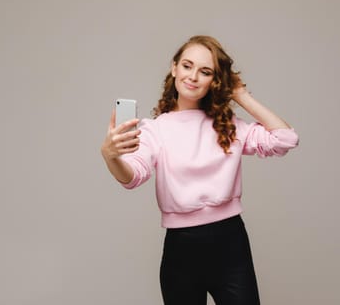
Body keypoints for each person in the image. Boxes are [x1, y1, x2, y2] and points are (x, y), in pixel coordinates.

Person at [101, 35, 299, 305]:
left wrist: (240, 95)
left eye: (205, 71)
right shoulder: (155, 130)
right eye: (187, 66)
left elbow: (286, 139)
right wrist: (111, 157)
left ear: (214, 80)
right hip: (181, 250)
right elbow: (132, 176)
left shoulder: (227, 124)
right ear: (174, 68)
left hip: (231, 244)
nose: (193, 76)